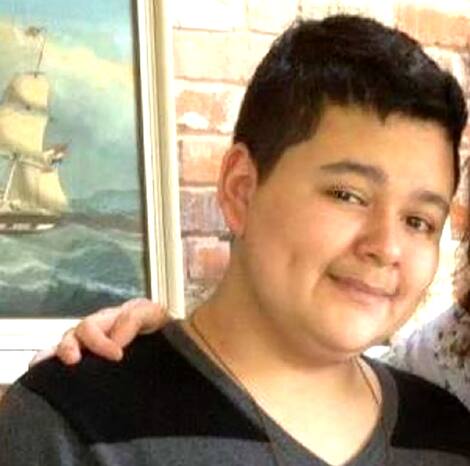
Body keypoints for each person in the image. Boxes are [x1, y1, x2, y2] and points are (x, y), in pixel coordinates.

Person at [2, 15, 470, 465]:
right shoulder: (72, 426)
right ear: (241, 189)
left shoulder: (447, 438)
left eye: (419, 221)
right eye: (347, 195)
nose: (386, 247)